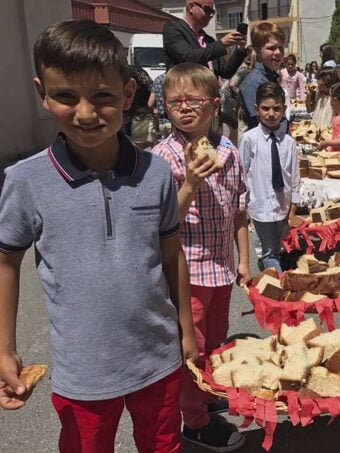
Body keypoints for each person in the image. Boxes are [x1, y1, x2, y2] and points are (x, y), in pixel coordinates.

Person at [0, 20, 197, 452]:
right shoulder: (26, 180)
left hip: (158, 359)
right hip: (84, 371)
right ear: (42, 92)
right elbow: (6, 262)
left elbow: (171, 255)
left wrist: (186, 328)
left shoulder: (157, 173)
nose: (86, 113)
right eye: (66, 96)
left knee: (163, 444)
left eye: (103, 96)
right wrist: (5, 348)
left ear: (128, 94)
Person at [152, 62, 250, 452]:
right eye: (175, 101)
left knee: (215, 341)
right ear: (165, 107)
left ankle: (206, 398)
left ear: (214, 104)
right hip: (186, 272)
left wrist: (244, 260)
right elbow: (163, 224)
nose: (185, 107)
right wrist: (191, 181)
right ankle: (193, 421)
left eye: (194, 100)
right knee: (189, 349)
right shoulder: (162, 158)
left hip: (221, 269)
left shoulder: (229, 151)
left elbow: (240, 210)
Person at [239, 82, 299, 272]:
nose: (271, 113)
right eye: (265, 108)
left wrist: (294, 206)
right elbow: (241, 172)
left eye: (276, 108)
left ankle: (269, 267)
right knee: (268, 251)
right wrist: (242, 206)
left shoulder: (289, 142)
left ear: (284, 109)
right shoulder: (249, 139)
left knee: (278, 246)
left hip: (282, 204)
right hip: (260, 204)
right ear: (257, 109)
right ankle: (277, 284)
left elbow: (294, 176)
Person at [163, 0, 246, 77]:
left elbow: (226, 72)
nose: (211, 15)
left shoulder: (209, 40)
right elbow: (189, 57)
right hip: (185, 91)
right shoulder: (173, 29)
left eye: (212, 12)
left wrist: (239, 50)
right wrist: (221, 43)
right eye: (207, 10)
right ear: (191, 7)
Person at [239, 22, 286, 130]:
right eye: (272, 48)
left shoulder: (270, 76)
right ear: (258, 50)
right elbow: (259, 124)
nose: (278, 52)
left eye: (281, 47)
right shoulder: (254, 81)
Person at [127, 65, 158, 149]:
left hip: (144, 109)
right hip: (130, 112)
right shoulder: (115, 71)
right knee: (137, 139)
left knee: (151, 137)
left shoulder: (134, 70)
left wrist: (153, 104)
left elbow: (151, 86)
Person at [148, 72, 173, 139]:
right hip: (174, 123)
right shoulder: (179, 79)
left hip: (161, 123)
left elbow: (150, 103)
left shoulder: (158, 79)